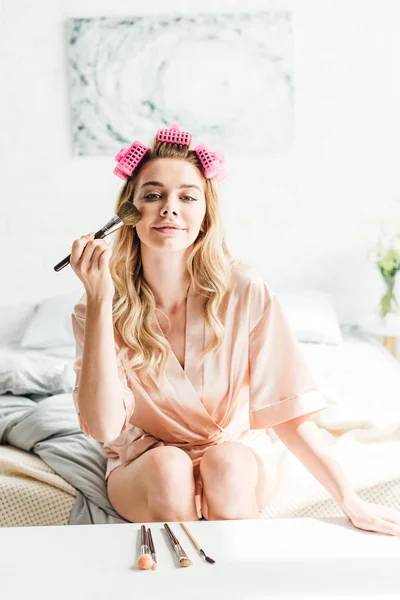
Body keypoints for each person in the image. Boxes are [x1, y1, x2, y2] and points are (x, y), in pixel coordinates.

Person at [70, 124, 400, 534]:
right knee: (168, 466)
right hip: (145, 463)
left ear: (205, 216)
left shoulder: (245, 290)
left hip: (236, 454)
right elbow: (103, 427)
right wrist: (101, 299)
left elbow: (287, 410)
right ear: (129, 215)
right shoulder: (96, 308)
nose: (169, 207)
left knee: (225, 461)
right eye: (153, 195)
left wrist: (349, 498)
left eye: (187, 197)